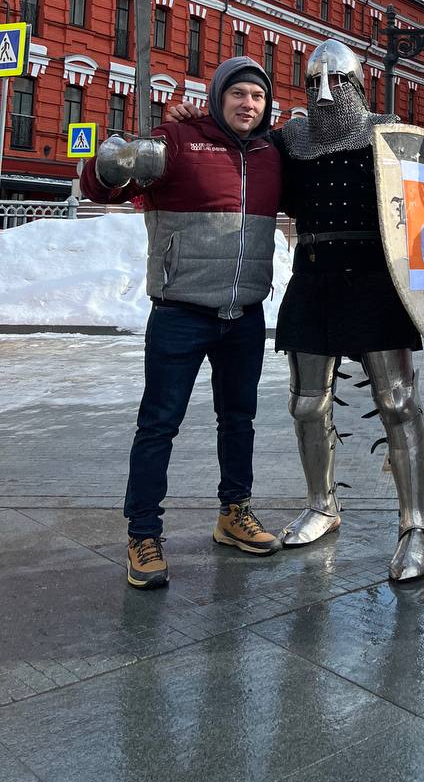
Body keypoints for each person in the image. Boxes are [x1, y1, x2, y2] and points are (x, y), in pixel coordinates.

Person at [81, 56, 285, 590]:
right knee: (158, 425)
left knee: (239, 420)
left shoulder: (271, 154)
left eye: (257, 96)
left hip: (244, 314)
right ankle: (143, 534)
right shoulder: (176, 140)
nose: (248, 104)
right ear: (218, 97)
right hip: (180, 311)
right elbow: (103, 189)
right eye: (238, 93)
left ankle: (233, 512)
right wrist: (111, 162)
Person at [273, 39, 424, 582]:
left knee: (398, 402)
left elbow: (417, 212)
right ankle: (322, 505)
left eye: (337, 81)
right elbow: (238, 151)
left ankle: (415, 525)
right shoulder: (291, 141)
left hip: (373, 280)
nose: (324, 93)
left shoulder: (389, 137)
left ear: (359, 87)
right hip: (313, 276)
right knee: (306, 405)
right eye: (314, 81)